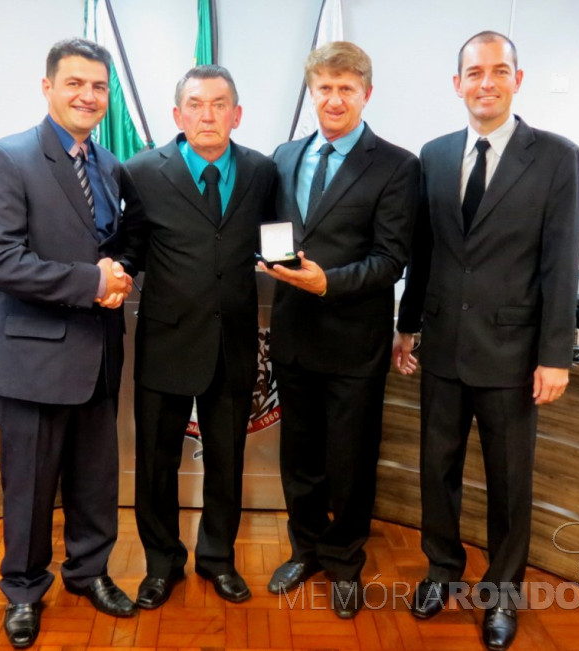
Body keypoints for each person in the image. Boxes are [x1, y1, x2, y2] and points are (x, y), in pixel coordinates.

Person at [393, 31, 579, 650]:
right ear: (457, 84)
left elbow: (561, 261)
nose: (486, 82)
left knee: (508, 484)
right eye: (474, 72)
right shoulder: (436, 154)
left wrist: (555, 354)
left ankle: (502, 596)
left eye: (499, 71)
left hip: (511, 354)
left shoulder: (556, 157)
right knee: (436, 471)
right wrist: (406, 324)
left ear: (517, 81)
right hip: (443, 347)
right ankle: (440, 569)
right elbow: (425, 254)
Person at [0, 37, 141, 648]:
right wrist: (92, 282)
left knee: (96, 479)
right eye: (75, 84)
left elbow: (112, 244)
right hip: (32, 360)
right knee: (31, 486)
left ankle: (88, 572)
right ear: (48, 88)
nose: (88, 96)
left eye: (98, 87)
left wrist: (115, 276)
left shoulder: (110, 165)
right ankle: (22, 588)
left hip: (98, 352)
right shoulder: (7, 158)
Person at [260, 41, 419, 618]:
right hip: (293, 336)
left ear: (366, 94)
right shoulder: (283, 155)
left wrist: (328, 283)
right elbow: (274, 232)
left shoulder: (398, 165)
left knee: (350, 460)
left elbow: (391, 260)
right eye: (324, 87)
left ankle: (345, 559)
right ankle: (306, 549)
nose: (333, 98)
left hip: (355, 340)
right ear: (312, 92)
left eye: (346, 88)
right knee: (299, 456)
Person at [122, 65, 276, 608]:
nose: (207, 114)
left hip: (233, 343)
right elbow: (130, 245)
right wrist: (112, 270)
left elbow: (276, 241)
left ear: (236, 114)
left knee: (227, 463)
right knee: (156, 464)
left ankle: (217, 559)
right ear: (177, 115)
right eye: (196, 104)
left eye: (219, 104)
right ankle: (162, 564)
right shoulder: (141, 171)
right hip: (166, 343)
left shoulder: (261, 170)